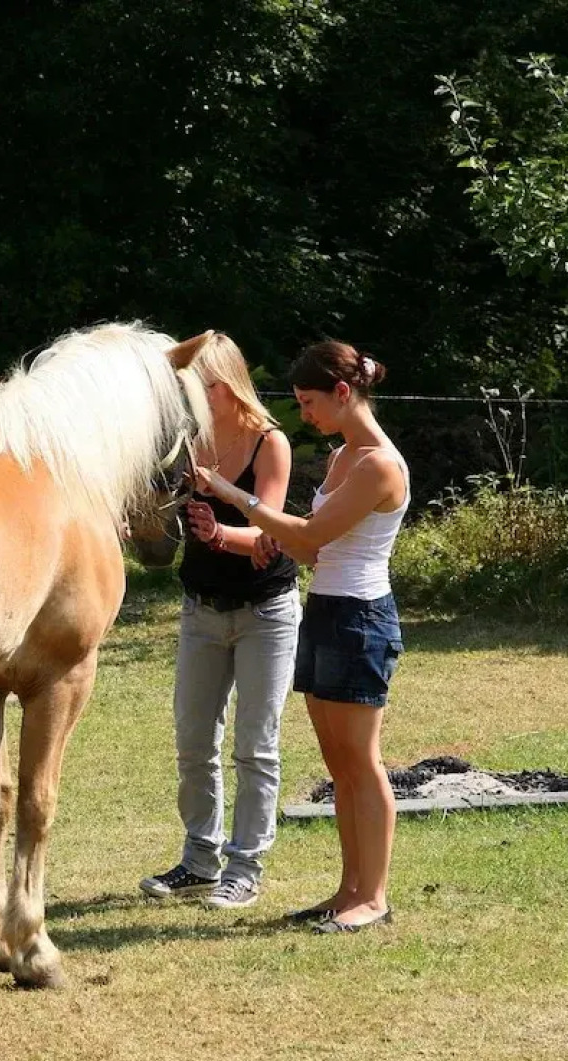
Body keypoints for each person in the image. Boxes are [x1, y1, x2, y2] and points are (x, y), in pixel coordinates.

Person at [194, 340, 407, 933]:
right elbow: (311, 541)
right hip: (326, 611)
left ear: (343, 393)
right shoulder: (343, 458)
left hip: (361, 620)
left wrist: (234, 497)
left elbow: (311, 539)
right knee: (339, 765)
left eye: (310, 402)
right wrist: (271, 536)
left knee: (364, 763)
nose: (305, 414)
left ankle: (375, 896)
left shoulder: (378, 465)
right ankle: (348, 890)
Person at [139, 331, 300, 910]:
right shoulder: (190, 442)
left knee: (256, 747)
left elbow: (272, 535)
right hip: (201, 610)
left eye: (201, 387)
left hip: (265, 613)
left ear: (227, 384)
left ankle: (246, 867)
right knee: (193, 743)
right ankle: (199, 860)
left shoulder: (269, 444)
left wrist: (218, 532)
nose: (194, 400)